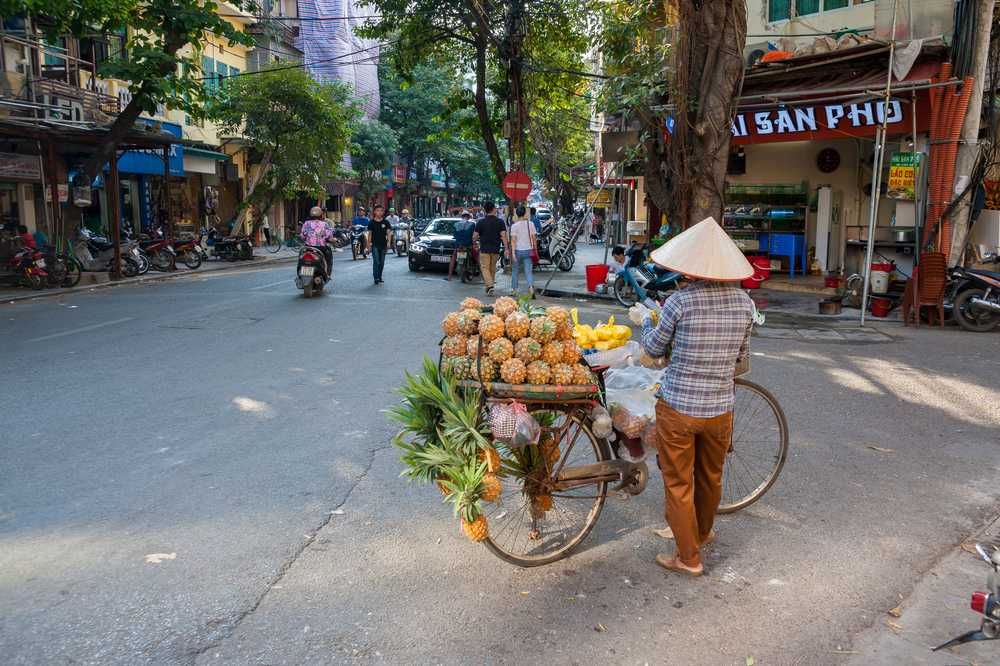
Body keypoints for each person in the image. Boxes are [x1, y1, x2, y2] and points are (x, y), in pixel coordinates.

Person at [638, 217, 755, 578]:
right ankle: (701, 534)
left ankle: (688, 557)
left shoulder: (679, 302)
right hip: (720, 409)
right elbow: (740, 358)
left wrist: (646, 323)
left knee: (678, 481)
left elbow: (654, 347)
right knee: (710, 477)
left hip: (679, 407)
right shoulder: (744, 303)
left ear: (692, 269)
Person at [474, 201, 507, 296]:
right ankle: (489, 287)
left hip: (484, 249)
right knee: (492, 269)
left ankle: (489, 285)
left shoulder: (481, 222)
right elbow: (503, 236)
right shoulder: (500, 222)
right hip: (496, 249)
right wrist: (506, 248)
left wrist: (474, 242)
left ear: (485, 210)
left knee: (485, 268)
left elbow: (475, 236)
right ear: (493, 209)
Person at [509, 205, 537, 298]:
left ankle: (514, 290)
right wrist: (535, 249)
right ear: (525, 213)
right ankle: (531, 289)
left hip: (517, 251)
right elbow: (534, 239)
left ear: (516, 215)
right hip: (528, 251)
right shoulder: (531, 224)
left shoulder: (514, 226)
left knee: (515, 271)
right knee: (528, 271)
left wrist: (513, 253)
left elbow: (513, 240)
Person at [299, 206, 333, 272]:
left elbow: (302, 236)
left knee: (301, 255)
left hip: (308, 248)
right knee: (328, 254)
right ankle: (327, 272)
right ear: (320, 214)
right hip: (321, 248)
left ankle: (299, 272)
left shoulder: (306, 223)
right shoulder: (325, 224)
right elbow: (329, 236)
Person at [367, 204, 393, 285]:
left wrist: (389, 242)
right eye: (377, 210)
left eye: (381, 211)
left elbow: (389, 233)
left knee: (382, 262)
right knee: (376, 261)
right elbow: (369, 235)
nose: (379, 212)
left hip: (383, 245)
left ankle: (380, 276)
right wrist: (368, 246)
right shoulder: (371, 222)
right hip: (375, 244)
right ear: (374, 212)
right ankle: (376, 278)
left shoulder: (386, 222)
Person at [449, 211, 476, 281]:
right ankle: (484, 275)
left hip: (459, 246)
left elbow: (454, 235)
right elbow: (474, 235)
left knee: (453, 258)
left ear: (462, 216)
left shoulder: (456, 224)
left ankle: (449, 276)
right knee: (477, 257)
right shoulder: (472, 224)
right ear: (469, 217)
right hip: (469, 245)